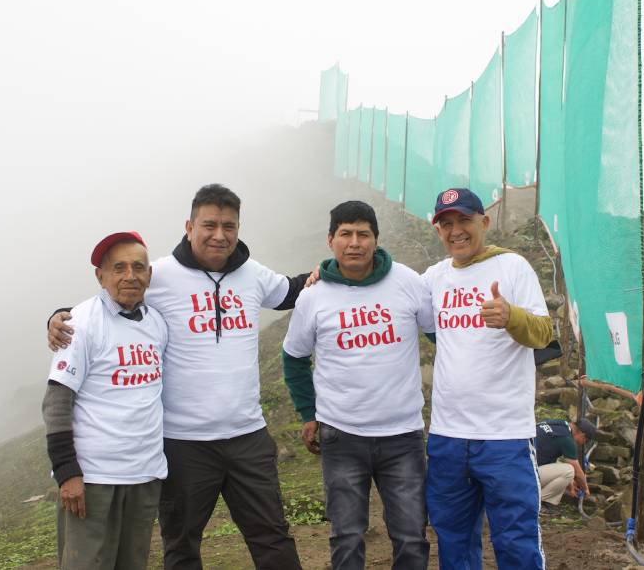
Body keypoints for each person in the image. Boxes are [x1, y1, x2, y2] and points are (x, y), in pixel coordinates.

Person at [48, 184, 305, 569]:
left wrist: (333, 271)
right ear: (189, 226)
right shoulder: (159, 274)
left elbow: (293, 291)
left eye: (229, 226)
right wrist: (59, 315)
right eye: (210, 224)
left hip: (247, 436)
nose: (220, 235)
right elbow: (111, 302)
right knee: (181, 545)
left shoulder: (253, 275)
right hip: (184, 444)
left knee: (272, 536)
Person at [283, 201, 434, 570]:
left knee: (412, 535)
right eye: (346, 234)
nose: (355, 243)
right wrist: (309, 413)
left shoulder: (408, 282)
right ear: (331, 240)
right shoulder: (313, 296)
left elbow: (441, 338)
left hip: (403, 436)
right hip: (341, 436)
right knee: (347, 537)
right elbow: (294, 357)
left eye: (363, 234)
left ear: (375, 240)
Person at [421, 187, 554, 570]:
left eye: (464, 220)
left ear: (484, 221)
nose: (455, 231)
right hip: (448, 436)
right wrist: (325, 274)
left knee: (516, 542)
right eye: (446, 224)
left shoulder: (512, 267)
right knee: (453, 540)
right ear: (438, 230)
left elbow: (544, 333)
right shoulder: (435, 277)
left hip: (504, 436)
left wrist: (510, 316)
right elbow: (391, 291)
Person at [43, 231, 168, 569]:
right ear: (101, 276)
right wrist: (67, 472)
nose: (130, 276)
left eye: (138, 267)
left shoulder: (157, 323)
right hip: (94, 480)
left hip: (144, 475)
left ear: (149, 275)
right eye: (119, 267)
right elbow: (56, 402)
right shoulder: (79, 324)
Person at [535, 418, 596, 506]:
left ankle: (544, 502)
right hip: (527, 475)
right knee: (570, 470)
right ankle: (539, 503)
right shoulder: (566, 440)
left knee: (564, 467)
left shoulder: (558, 424)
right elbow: (578, 473)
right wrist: (586, 489)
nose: (583, 444)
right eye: (586, 441)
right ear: (583, 435)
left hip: (518, 466)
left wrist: (570, 483)